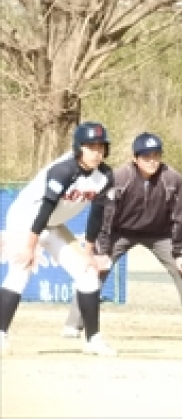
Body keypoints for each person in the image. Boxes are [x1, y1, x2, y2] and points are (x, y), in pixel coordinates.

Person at [62, 132, 182, 342]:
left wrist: (181, 252)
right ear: (135, 158)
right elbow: (106, 216)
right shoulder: (120, 178)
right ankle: (74, 324)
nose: (152, 161)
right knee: (94, 269)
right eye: (146, 156)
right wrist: (101, 251)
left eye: (156, 155)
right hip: (120, 231)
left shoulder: (172, 178)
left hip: (159, 233)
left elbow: (180, 216)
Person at [0, 122, 117, 356]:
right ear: (78, 147)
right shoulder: (64, 170)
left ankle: (92, 339)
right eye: (90, 147)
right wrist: (30, 246)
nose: (96, 152)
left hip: (53, 225)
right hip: (25, 219)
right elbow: (44, 210)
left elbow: (97, 214)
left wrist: (88, 252)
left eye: (101, 147)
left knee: (88, 273)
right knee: (21, 270)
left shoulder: (104, 176)